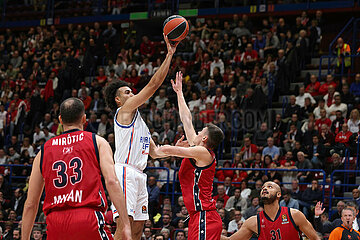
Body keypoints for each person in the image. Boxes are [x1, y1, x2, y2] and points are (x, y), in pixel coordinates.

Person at [21, 98, 131, 240]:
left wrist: (24, 238)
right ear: (84, 118)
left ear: (60, 119)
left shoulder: (43, 151)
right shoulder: (97, 142)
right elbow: (111, 181)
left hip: (55, 224)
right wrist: (126, 224)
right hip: (88, 218)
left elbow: (31, 204)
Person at [104, 34, 177, 240]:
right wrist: (169, 55)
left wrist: (179, 149)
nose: (131, 94)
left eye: (131, 91)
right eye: (127, 92)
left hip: (139, 175)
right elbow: (153, 85)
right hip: (124, 172)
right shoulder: (124, 111)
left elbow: (156, 152)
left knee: (137, 231)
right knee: (124, 228)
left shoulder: (141, 124)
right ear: (118, 100)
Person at [156, 72, 225, 240]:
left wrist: (153, 149)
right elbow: (186, 119)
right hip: (198, 217)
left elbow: (173, 151)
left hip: (205, 217)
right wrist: (179, 93)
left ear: (205, 138)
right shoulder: (198, 150)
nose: (197, 131)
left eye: (201, 131)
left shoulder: (202, 152)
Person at [221, 181, 320, 240]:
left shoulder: (294, 215)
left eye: (270, 187)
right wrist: (207, 232)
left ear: (278, 194)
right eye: (263, 187)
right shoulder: (253, 222)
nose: (264, 189)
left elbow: (315, 238)